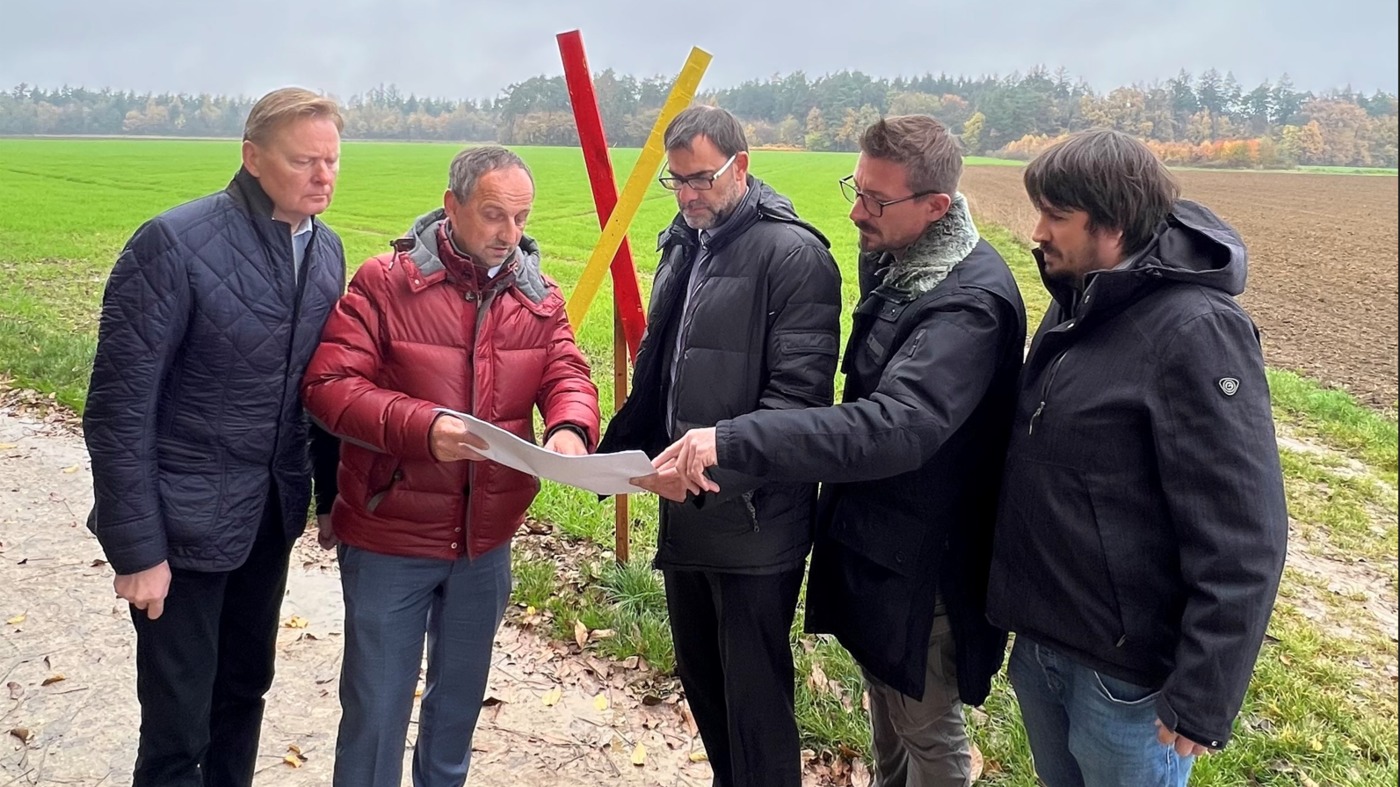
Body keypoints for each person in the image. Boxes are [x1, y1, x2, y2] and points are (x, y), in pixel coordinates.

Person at [656, 115, 1026, 787]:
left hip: (928, 560)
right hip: (882, 545)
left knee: (926, 733)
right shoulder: (901, 259)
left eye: (874, 200)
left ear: (936, 206)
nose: (855, 210)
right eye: (856, 188)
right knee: (891, 721)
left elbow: (892, 426)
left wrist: (732, 438)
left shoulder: (968, 303)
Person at [986, 128, 1288, 787]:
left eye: (1055, 216)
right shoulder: (1078, 299)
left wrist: (1203, 695)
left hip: (1123, 680)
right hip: (1045, 644)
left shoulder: (1197, 330)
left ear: (1113, 224)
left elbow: (1245, 532)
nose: (1037, 231)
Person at [300, 144, 600, 787]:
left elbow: (567, 371)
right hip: (390, 533)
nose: (509, 235)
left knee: (457, 712)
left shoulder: (537, 294)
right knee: (375, 716)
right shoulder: (385, 282)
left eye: (521, 218)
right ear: (451, 206)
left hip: (483, 544)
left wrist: (571, 427)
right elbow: (329, 386)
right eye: (494, 215)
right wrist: (423, 428)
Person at [83, 87, 347, 787]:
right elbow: (118, 409)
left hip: (267, 517)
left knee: (243, 693)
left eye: (331, 161)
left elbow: (321, 389)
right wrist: (137, 550)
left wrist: (331, 496)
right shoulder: (172, 243)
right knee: (178, 727)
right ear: (252, 157)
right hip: (182, 524)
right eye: (304, 161)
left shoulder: (326, 252)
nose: (322, 177)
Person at [599, 105, 842, 787]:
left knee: (756, 708)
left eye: (701, 178)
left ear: (742, 165)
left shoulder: (795, 257)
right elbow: (663, 370)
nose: (688, 194)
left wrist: (710, 470)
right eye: (676, 181)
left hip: (756, 522)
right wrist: (626, 456)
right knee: (706, 689)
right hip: (687, 510)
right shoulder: (684, 242)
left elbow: (796, 408)